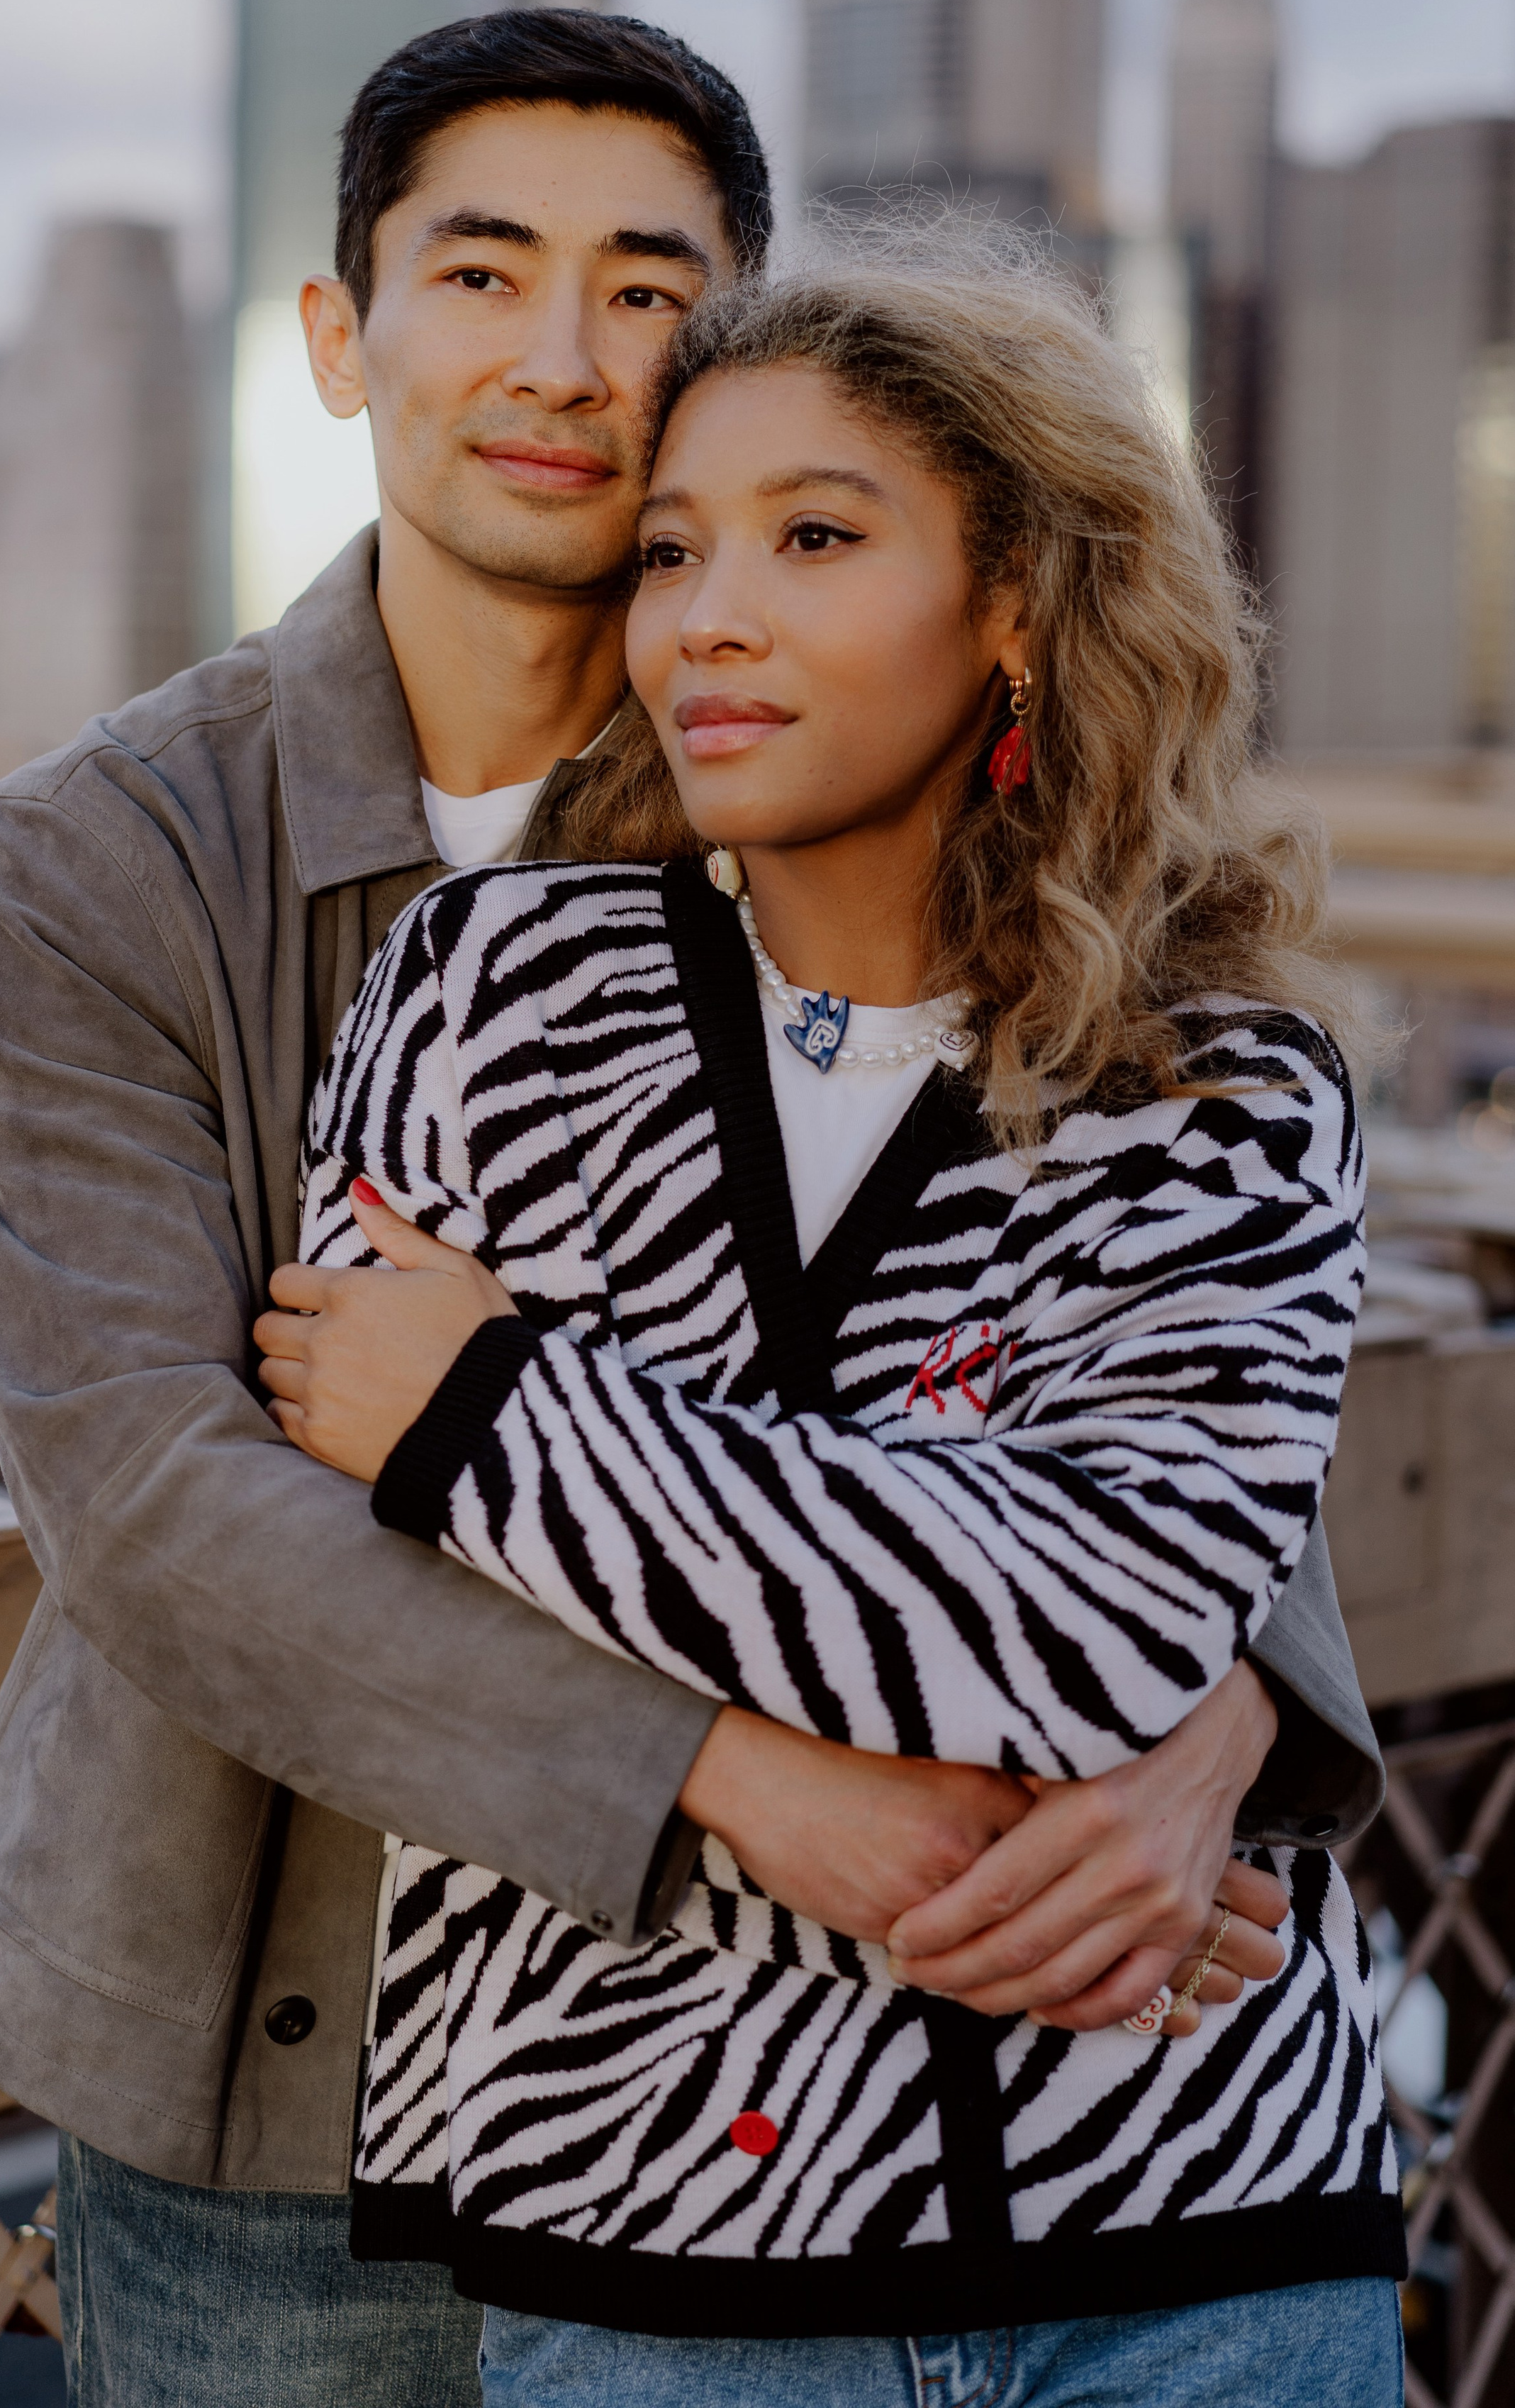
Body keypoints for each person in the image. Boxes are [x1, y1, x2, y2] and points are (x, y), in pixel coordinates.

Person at [0, 11, 1382, 2406]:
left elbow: (1152, 1311)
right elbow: (164, 1492)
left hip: (919, 2102)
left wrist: (1217, 1703)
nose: (564, 362)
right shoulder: (108, 849)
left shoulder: (825, 754)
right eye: (480, 276)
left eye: (645, 285)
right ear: (339, 337)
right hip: (281, 2017)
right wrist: (770, 1790)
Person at [259, 235, 1405, 2404]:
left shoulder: (1221, 1079)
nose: (709, 616)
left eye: (814, 535)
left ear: (1013, 611)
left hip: (1190, 2227)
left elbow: (1095, 1628)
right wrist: (883, 1633)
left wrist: (492, 1405)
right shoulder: (489, 1001)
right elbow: (360, 1576)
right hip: (650, 2233)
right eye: (672, 549)